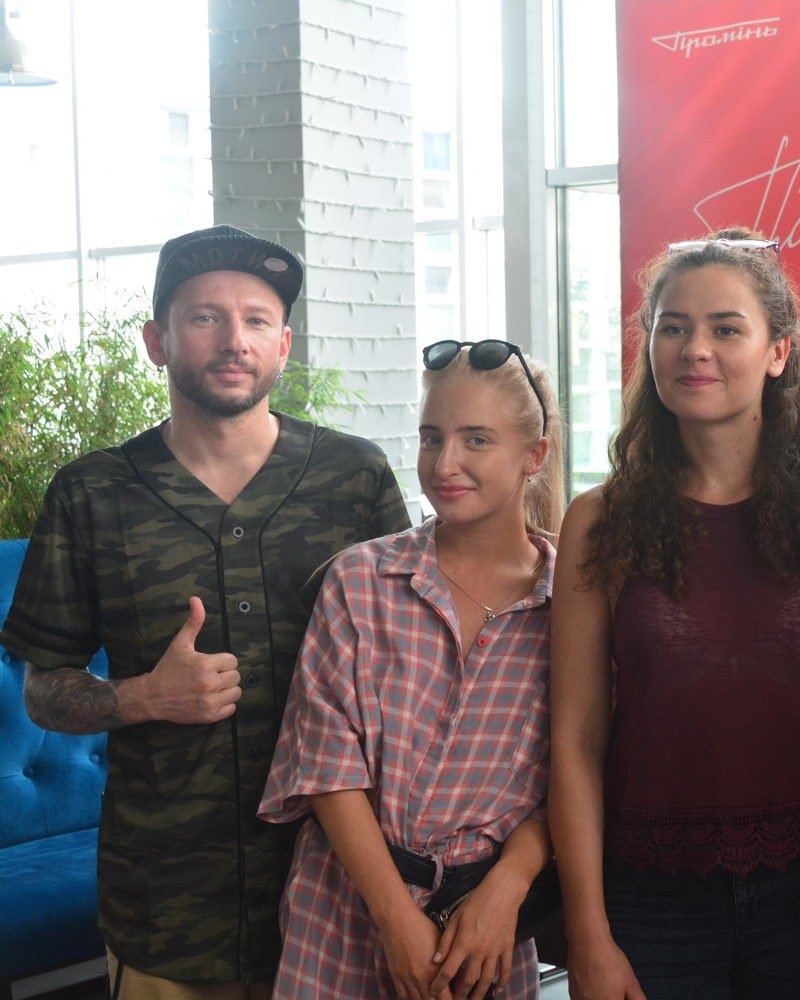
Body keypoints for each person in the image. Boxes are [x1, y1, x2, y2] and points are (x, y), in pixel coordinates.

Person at [0, 224, 410, 998]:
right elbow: (43, 689)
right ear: (157, 342)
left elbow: (412, 667)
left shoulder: (354, 479)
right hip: (167, 907)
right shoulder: (92, 493)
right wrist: (143, 697)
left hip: (340, 897)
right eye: (204, 318)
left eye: (256, 320)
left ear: (283, 345)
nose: (234, 340)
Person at [549, 229, 800, 1000]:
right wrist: (588, 934)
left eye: (726, 329)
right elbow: (576, 740)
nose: (695, 349)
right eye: (673, 327)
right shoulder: (601, 520)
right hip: (650, 898)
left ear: (777, 352)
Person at [258, 339, 563, 1000]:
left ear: (534, 455)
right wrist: (397, 922)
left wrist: (508, 887)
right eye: (431, 438)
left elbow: (576, 774)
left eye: (476, 440)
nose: (445, 464)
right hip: (340, 913)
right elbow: (327, 768)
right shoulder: (360, 580)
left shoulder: (573, 603)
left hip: (483, 933)